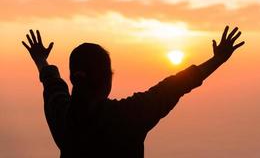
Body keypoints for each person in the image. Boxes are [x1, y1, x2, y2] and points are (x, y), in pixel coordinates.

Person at [22, 26, 244, 158]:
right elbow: (175, 86)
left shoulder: (62, 118)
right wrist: (218, 59)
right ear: (107, 78)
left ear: (74, 78)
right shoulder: (128, 116)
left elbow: (52, 84)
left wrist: (41, 59)